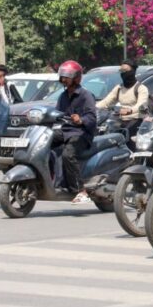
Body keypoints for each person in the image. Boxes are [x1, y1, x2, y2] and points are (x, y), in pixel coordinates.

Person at [52, 60, 97, 204]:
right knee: (43, 142)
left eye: (68, 76)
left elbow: (92, 117)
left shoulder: (86, 95)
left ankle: (80, 190)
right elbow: (57, 114)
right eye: (63, 76)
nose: (64, 79)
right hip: (65, 131)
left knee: (68, 154)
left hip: (81, 134)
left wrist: (81, 120)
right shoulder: (63, 96)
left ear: (77, 78)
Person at [97, 59, 149, 143]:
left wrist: (130, 110)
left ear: (133, 71)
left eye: (126, 71)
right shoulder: (119, 88)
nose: (123, 73)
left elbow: (141, 105)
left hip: (136, 120)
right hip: (121, 120)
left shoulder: (141, 88)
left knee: (126, 137)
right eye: (121, 71)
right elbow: (106, 101)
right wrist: (92, 108)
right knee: (108, 133)